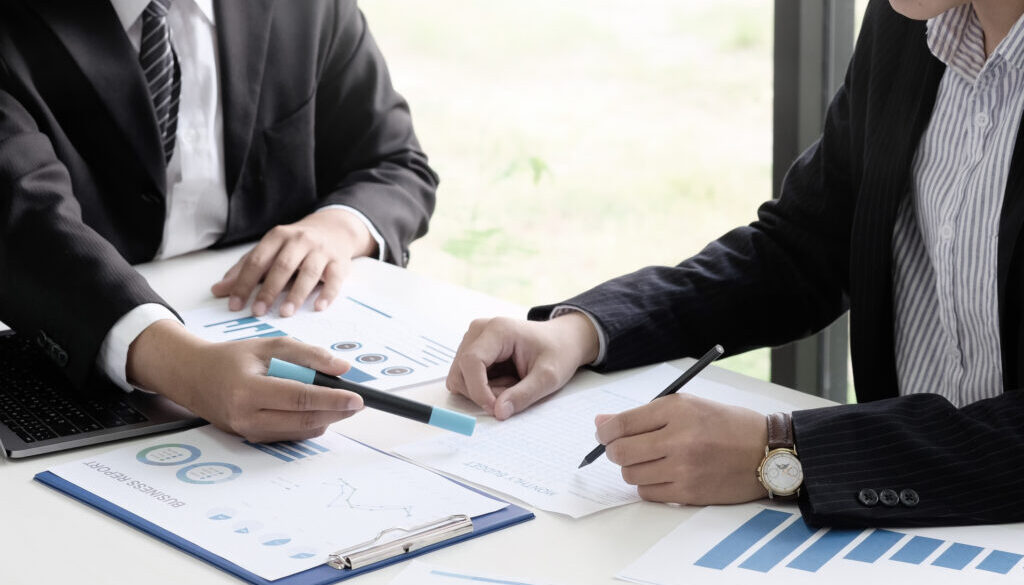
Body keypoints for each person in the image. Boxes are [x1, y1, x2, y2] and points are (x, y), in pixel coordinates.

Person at [447, 0, 1024, 528]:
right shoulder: (911, 23)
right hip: (905, 525)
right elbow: (800, 249)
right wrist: (583, 331)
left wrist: (782, 452)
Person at [0, 0, 437, 442]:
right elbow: (23, 222)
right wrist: (185, 367)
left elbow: (395, 162)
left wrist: (338, 227)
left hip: (274, 317)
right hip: (65, 339)